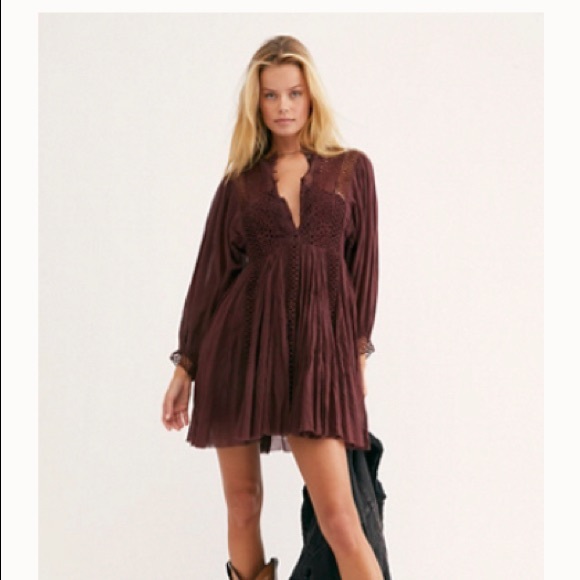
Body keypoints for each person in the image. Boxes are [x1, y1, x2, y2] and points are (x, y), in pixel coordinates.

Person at [162, 35, 382, 580]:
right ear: (256, 103)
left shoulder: (351, 170)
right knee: (243, 504)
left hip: (316, 361)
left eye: (294, 93)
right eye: (270, 95)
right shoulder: (239, 185)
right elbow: (210, 277)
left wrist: (356, 358)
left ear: (311, 97)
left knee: (341, 520)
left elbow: (362, 271)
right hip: (239, 356)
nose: (283, 106)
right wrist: (185, 368)